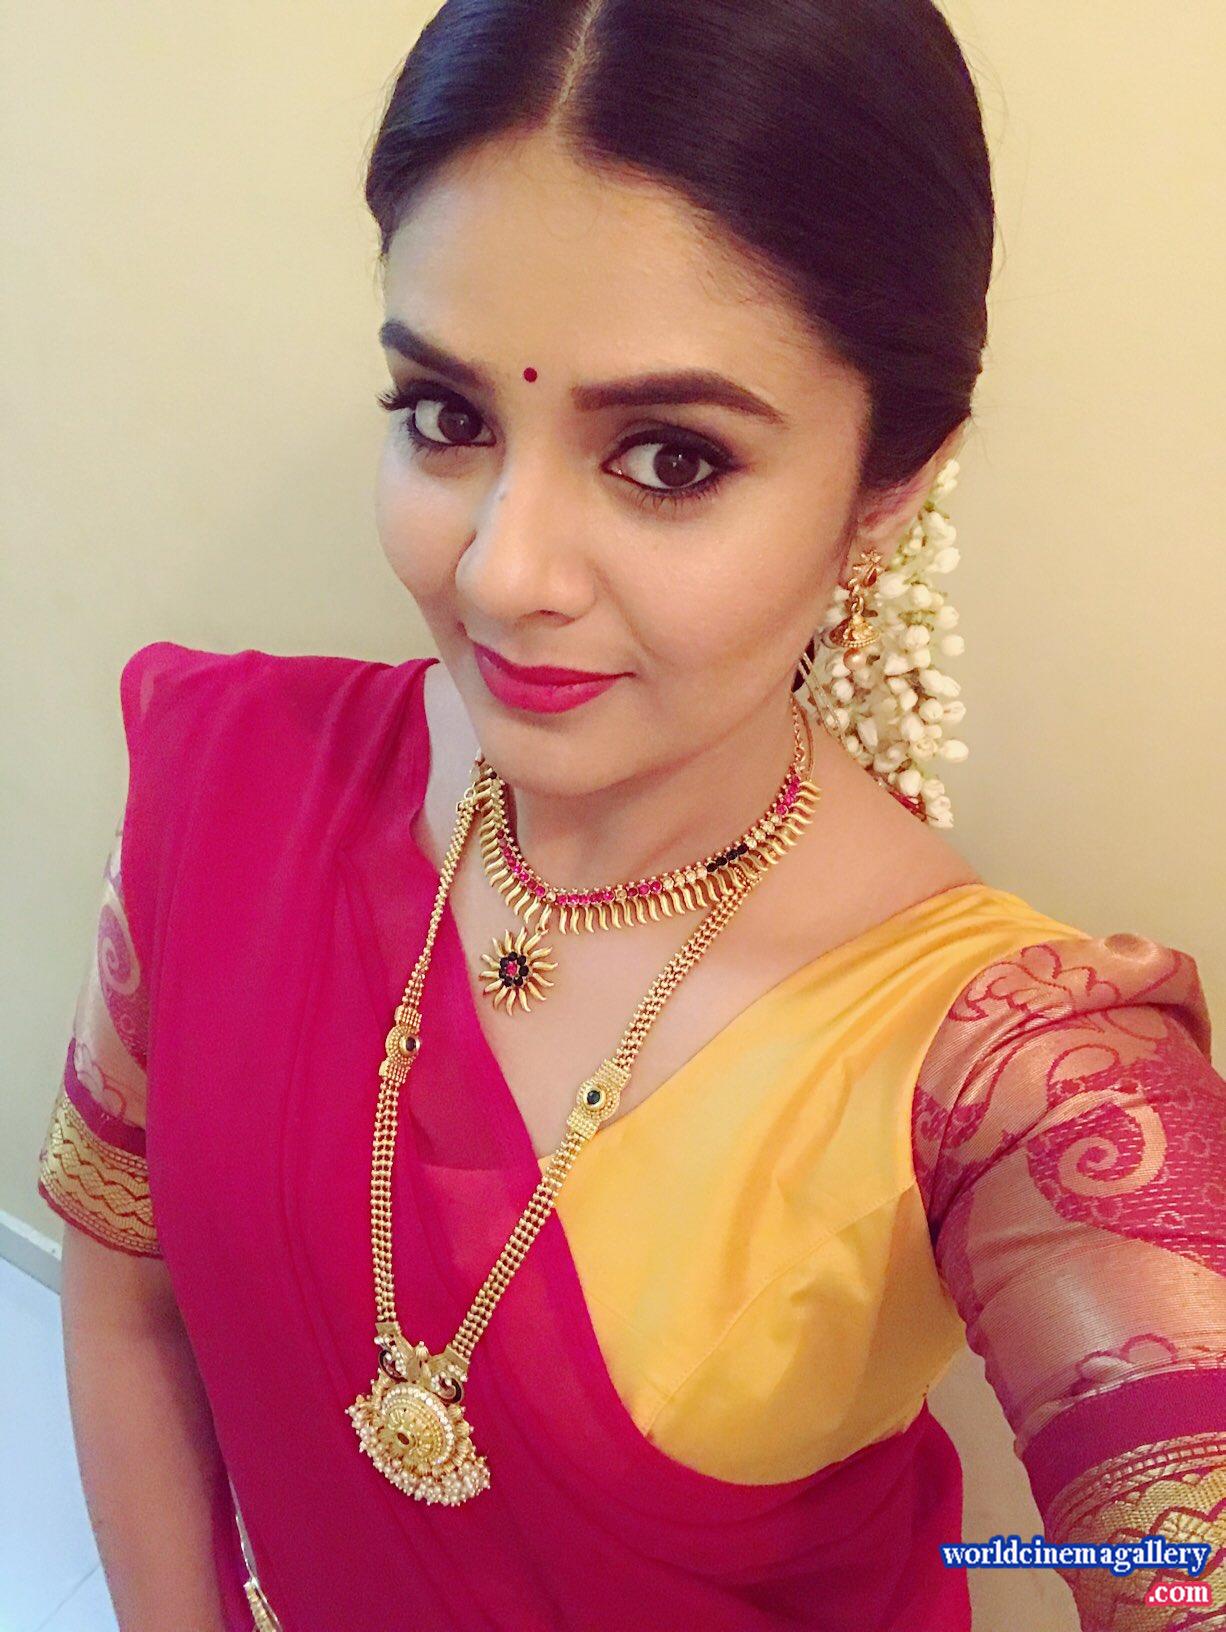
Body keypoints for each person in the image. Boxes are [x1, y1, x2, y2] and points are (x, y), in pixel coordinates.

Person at [35, 2, 1226, 1628]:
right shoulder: (233, 777)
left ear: (889, 487)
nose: (503, 574)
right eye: (448, 417)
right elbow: (123, 1292)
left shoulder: (1005, 1078)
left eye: (668, 458)